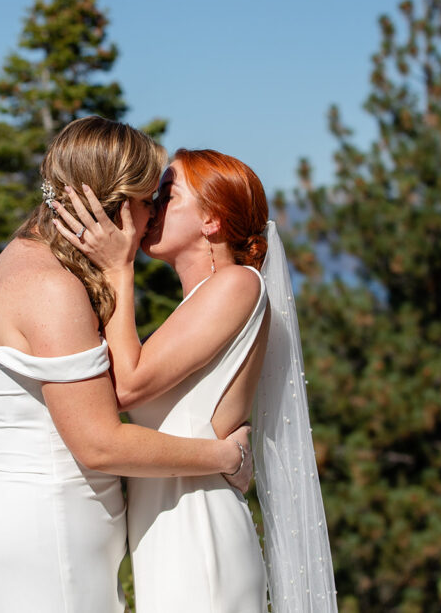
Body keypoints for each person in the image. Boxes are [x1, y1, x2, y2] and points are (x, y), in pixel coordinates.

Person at [0, 118, 253, 613]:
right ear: (114, 203)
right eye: (148, 199)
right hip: (47, 537)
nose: (152, 214)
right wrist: (226, 458)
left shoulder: (16, 264)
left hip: (22, 527)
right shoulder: (50, 289)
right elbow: (100, 443)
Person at [53, 148, 337, 612]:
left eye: (167, 195)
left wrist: (118, 268)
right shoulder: (199, 304)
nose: (150, 207)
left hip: (199, 532)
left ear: (213, 222)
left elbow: (127, 385)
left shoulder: (237, 284)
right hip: (168, 531)